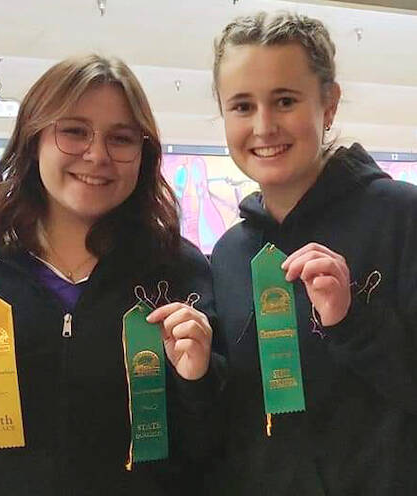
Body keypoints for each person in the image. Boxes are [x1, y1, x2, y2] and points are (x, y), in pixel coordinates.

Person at [0, 54, 224, 495]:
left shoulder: (180, 273)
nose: (97, 156)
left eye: (121, 138)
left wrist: (199, 380)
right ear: (33, 139)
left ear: (143, 155)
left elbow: (213, 445)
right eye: (74, 131)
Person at [207, 11, 417, 494]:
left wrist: (353, 320)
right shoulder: (229, 256)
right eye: (242, 105)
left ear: (329, 104)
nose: (263, 126)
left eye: (284, 100)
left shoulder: (401, 219)